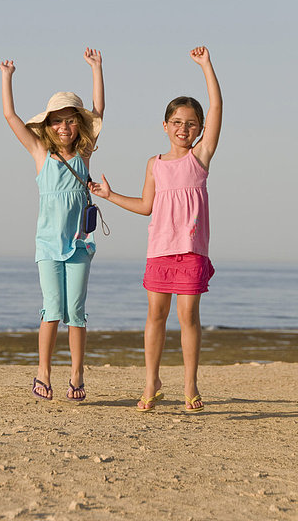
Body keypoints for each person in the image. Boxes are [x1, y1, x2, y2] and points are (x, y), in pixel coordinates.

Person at [90, 46, 222, 412]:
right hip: (159, 250)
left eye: (191, 123)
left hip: (192, 250)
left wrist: (206, 66)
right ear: (165, 126)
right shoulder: (155, 164)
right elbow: (147, 206)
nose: (184, 128)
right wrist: (111, 194)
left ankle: (190, 385)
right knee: (155, 317)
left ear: (199, 129)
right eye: (177, 122)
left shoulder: (200, 157)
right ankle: (151, 382)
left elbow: (216, 108)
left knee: (189, 318)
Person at [0, 48, 105, 402]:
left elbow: (99, 110)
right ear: (48, 125)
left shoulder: (84, 156)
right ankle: (42, 372)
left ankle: (77, 373)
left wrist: (96, 68)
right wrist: (7, 77)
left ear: (79, 125)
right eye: (57, 121)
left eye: (70, 120)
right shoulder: (41, 155)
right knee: (52, 309)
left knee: (76, 312)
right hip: (47, 246)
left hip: (78, 245)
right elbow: (11, 117)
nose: (63, 127)